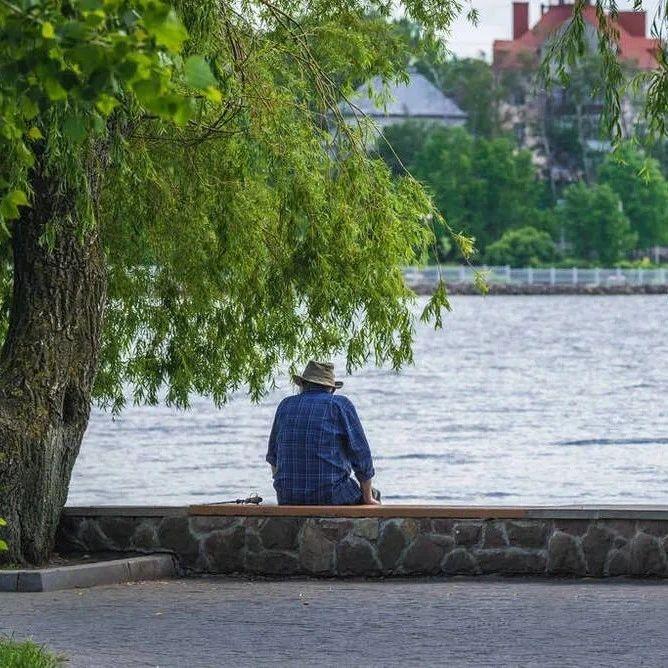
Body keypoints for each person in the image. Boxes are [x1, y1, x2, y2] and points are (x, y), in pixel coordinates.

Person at [266, 360, 380, 505]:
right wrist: (368, 497)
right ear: (331, 389)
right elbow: (361, 454)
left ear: (302, 385)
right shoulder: (339, 405)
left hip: (287, 497)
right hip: (331, 495)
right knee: (373, 493)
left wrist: (285, 491)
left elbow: (273, 456)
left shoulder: (285, 405)